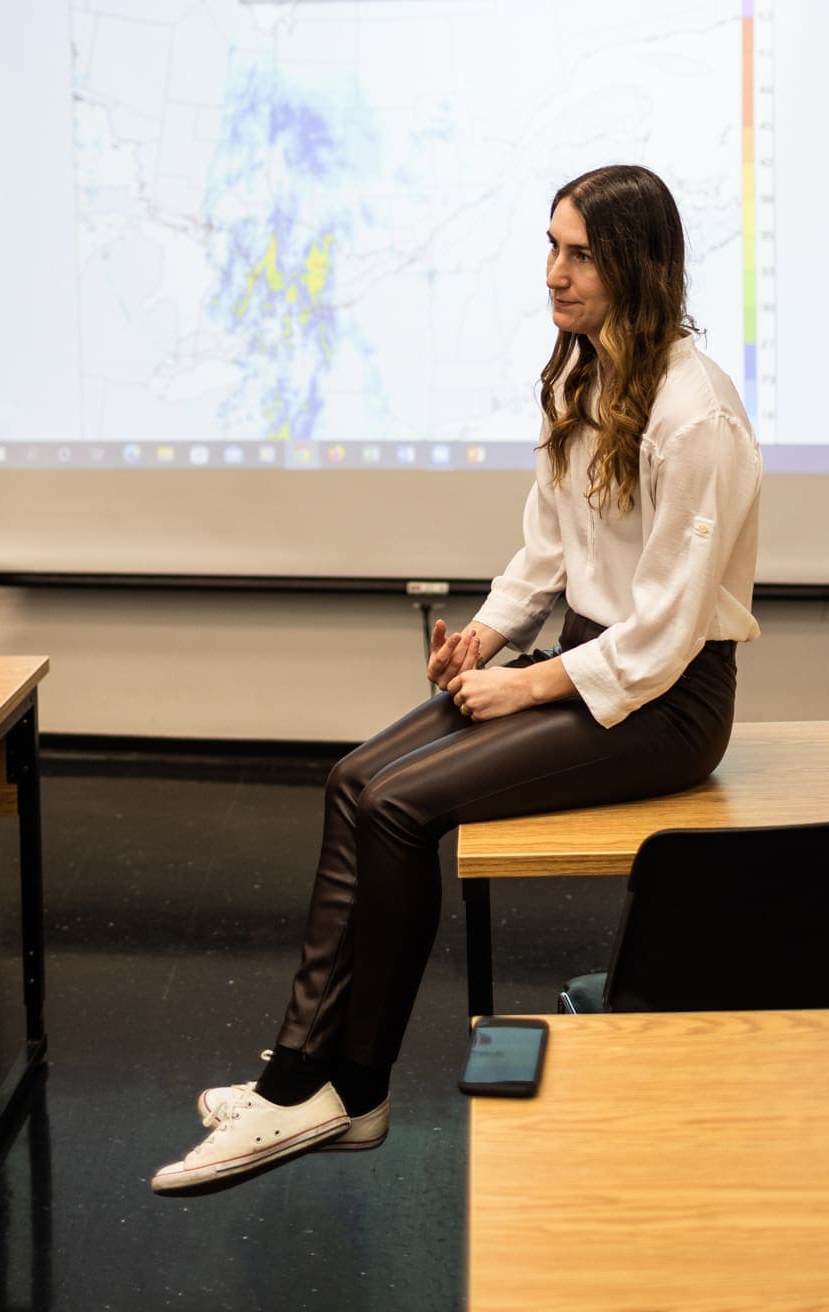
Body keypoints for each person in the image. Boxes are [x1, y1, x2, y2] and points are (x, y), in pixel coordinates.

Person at [152, 164, 762, 1193]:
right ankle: (316, 1082)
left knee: (396, 808)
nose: (554, 274)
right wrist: (484, 637)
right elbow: (549, 551)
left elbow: (664, 631)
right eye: (551, 246)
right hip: (586, 661)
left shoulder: (697, 412)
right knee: (354, 776)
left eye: (579, 254)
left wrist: (529, 686)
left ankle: (336, 1083)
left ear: (637, 266)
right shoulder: (581, 375)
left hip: (668, 700)